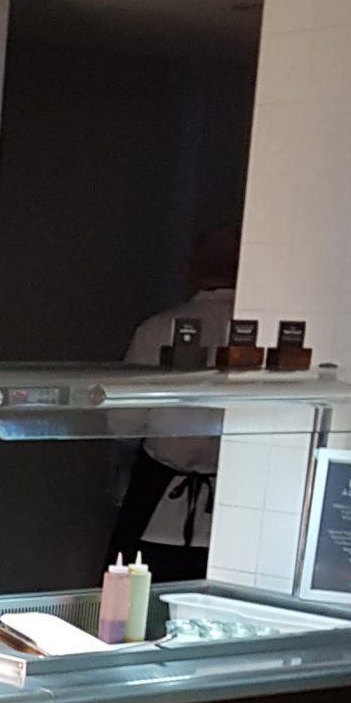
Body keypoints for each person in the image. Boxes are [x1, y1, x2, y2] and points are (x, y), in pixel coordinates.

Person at [109, 223, 241, 581]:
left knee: (133, 606)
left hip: (157, 511)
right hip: (234, 515)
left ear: (193, 267)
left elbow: (123, 425)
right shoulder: (261, 334)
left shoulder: (156, 329)